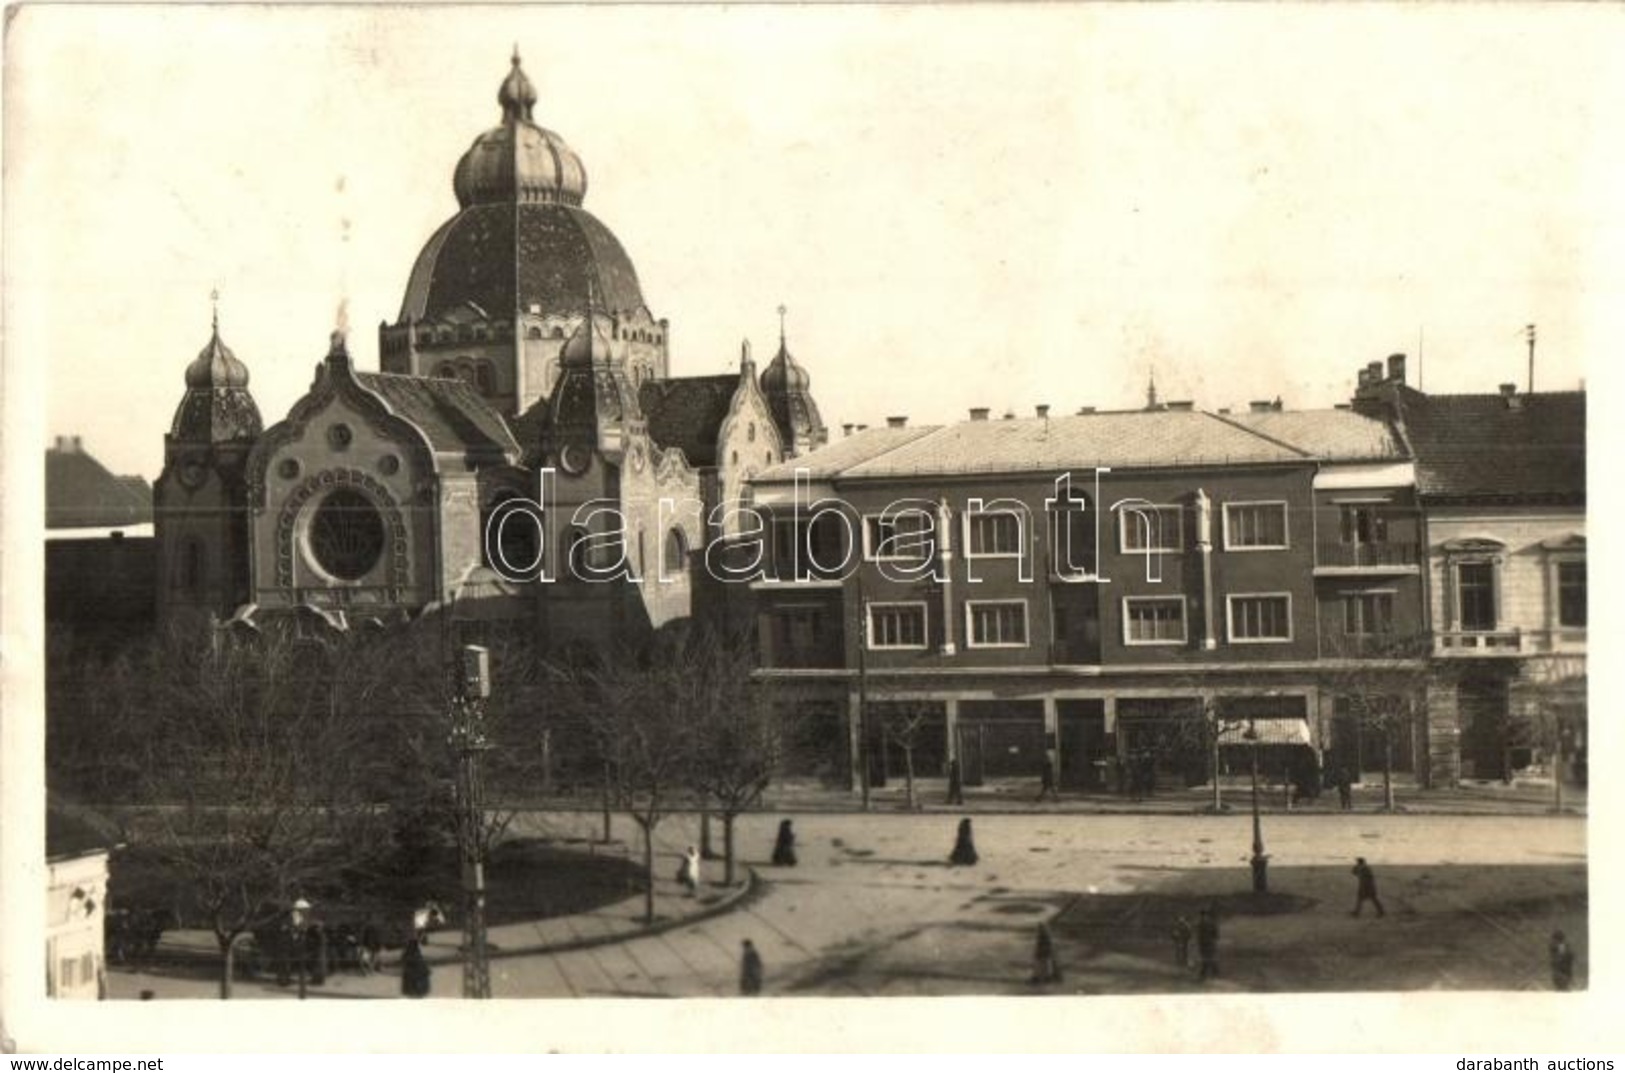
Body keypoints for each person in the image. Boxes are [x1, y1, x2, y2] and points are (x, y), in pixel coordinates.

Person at [1196, 906, 1220, 981]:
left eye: (1203, 914)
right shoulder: (1210, 923)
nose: (1203, 916)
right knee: (1210, 957)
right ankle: (1214, 972)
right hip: (1207, 943)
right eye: (1202, 915)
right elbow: (1216, 934)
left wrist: (1211, 940)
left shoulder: (1202, 923)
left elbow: (1215, 934)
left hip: (1206, 943)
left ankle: (1204, 974)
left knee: (1206, 958)